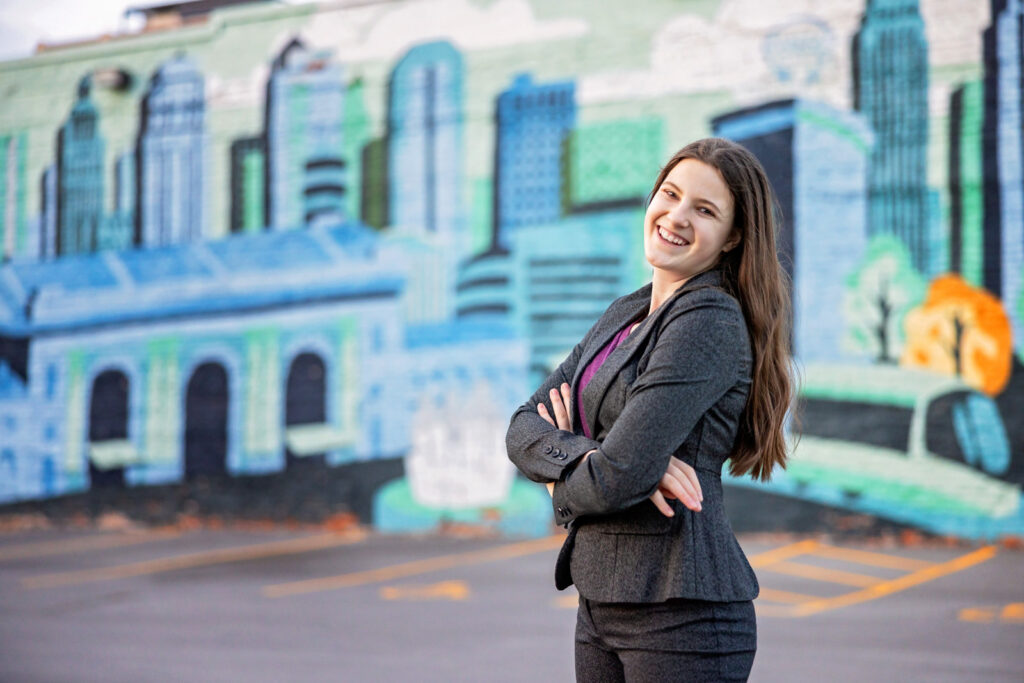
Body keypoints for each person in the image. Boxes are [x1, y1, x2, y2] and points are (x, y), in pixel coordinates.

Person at [505, 137, 794, 682]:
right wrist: (597, 458)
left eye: (704, 210)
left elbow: (618, 476)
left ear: (732, 237)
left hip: (681, 615)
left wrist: (567, 478)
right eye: (671, 194)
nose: (677, 216)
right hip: (602, 602)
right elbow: (523, 426)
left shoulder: (708, 319)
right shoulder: (627, 311)